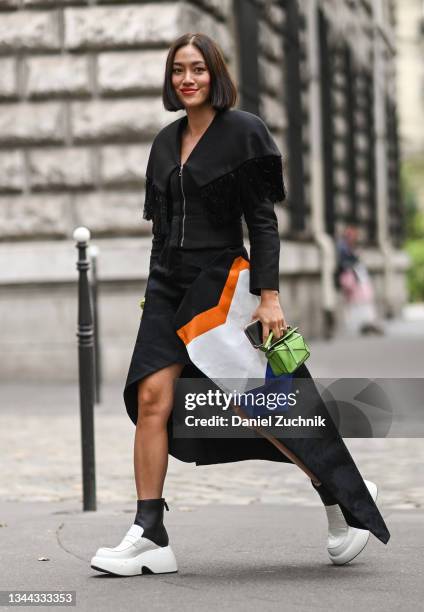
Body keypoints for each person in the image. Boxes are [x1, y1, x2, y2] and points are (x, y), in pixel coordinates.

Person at [90, 33, 389, 577]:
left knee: (263, 403)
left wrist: (269, 297)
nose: (188, 79)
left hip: (221, 289)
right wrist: (151, 298)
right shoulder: (164, 141)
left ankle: (338, 487)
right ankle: (149, 533)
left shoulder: (244, 131)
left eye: (198, 69)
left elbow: (263, 223)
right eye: (178, 69)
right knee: (154, 398)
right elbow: (161, 231)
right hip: (165, 290)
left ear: (215, 74)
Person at [335, 225, 385, 336]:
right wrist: (354, 259)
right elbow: (344, 263)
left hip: (355, 278)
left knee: (362, 299)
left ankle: (367, 322)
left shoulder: (347, 247)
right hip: (350, 278)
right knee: (358, 299)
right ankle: (363, 323)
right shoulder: (343, 247)